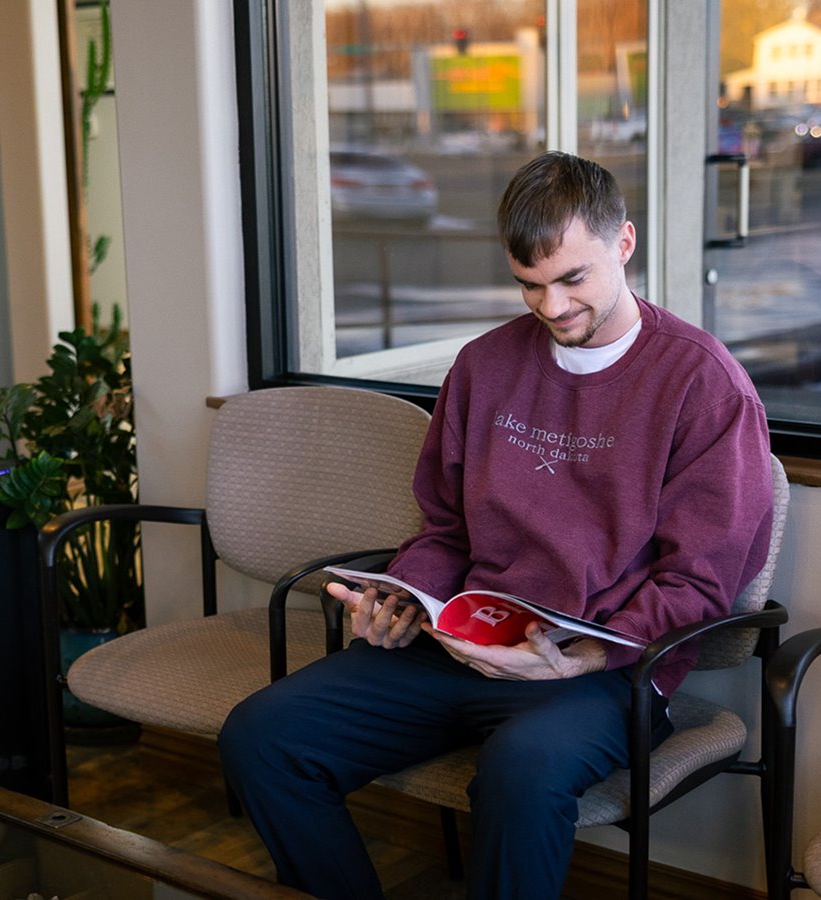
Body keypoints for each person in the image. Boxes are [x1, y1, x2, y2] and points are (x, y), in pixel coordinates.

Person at [219, 151, 775, 899]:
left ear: (624, 243)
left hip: (601, 670)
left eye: (572, 279)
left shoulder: (702, 383)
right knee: (262, 736)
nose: (551, 307)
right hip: (465, 645)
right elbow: (446, 527)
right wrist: (402, 598)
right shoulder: (484, 366)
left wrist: (581, 658)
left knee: (523, 771)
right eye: (529, 284)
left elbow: (699, 581)